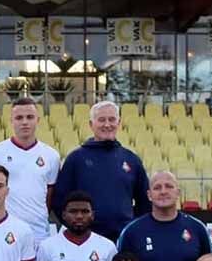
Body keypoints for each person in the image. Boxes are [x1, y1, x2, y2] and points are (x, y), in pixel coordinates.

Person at [52, 100, 150, 241]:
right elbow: (59, 201)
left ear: (119, 123)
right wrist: (77, 230)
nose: (107, 124)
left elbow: (145, 202)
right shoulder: (76, 159)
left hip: (122, 239)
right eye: (101, 120)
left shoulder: (131, 159)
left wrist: (130, 228)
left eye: (112, 119)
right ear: (91, 124)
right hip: (86, 240)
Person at [117, 171, 212, 261]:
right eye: (157, 188)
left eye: (169, 186)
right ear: (149, 195)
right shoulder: (132, 232)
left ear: (178, 192)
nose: (163, 192)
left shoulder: (197, 229)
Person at [0, 97, 59, 242]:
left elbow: (48, 196)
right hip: (3, 232)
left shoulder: (51, 156)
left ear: (38, 120)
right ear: (11, 121)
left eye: (30, 117)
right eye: (19, 118)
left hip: (37, 233)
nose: (24, 122)